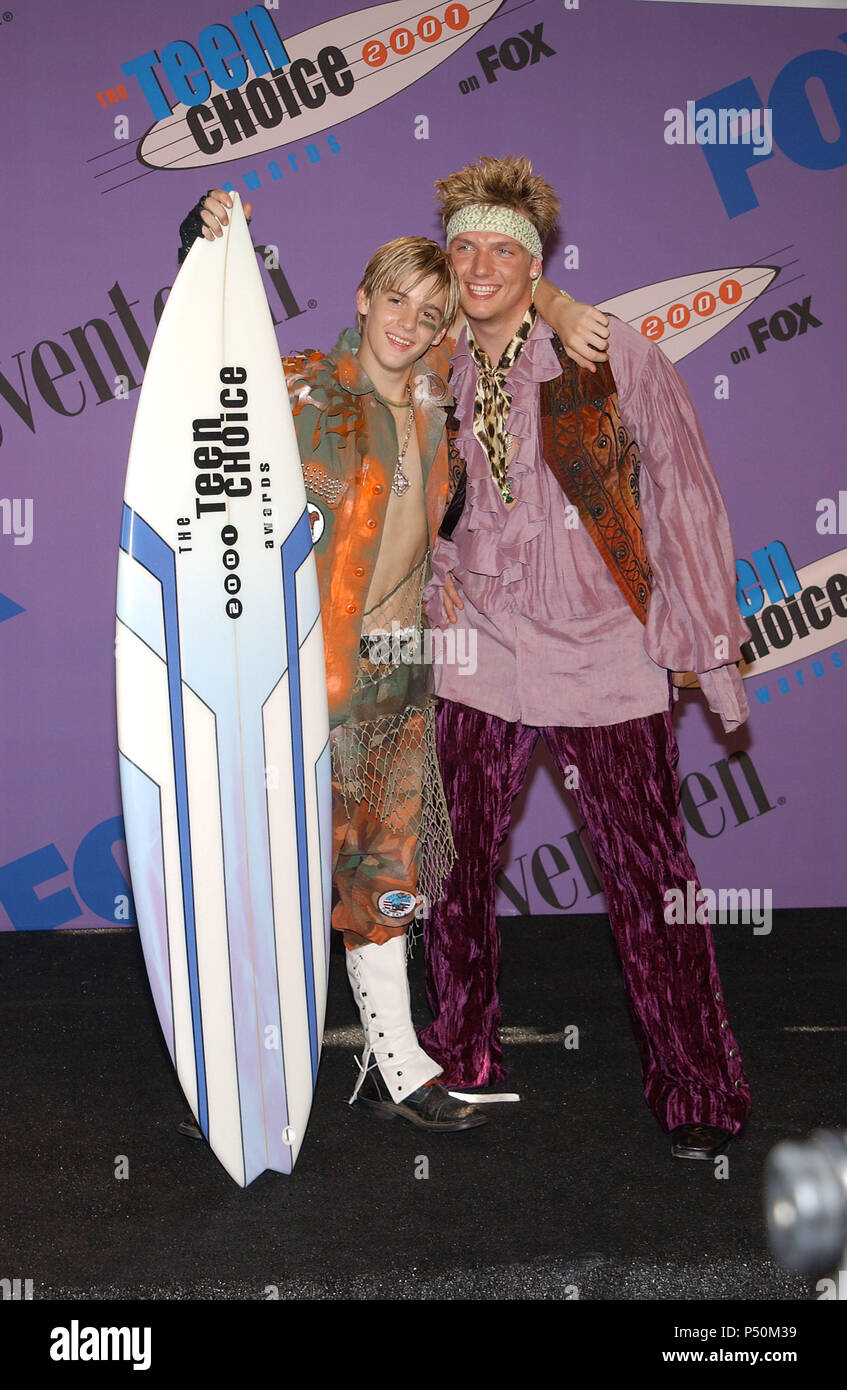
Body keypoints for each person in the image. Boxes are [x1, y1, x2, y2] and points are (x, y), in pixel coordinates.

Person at [177, 190, 601, 1133]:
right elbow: (190, 381)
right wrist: (199, 245)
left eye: (432, 311)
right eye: (397, 300)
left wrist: (562, 304)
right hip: (288, 684)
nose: (411, 323)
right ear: (363, 298)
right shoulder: (290, 388)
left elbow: (518, 307)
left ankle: (398, 1064)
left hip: (396, 680)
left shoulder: (439, 413)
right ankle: (245, 1072)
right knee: (267, 875)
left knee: (383, 874)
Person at [418, 156, 752, 1160]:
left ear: (535, 265)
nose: (480, 265)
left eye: (503, 249)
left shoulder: (607, 353)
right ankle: (461, 1052)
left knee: (652, 875)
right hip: (476, 640)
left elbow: (684, 493)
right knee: (451, 865)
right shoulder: (440, 362)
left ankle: (698, 1086)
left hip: (601, 646)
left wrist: (698, 640)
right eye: (465, 246)